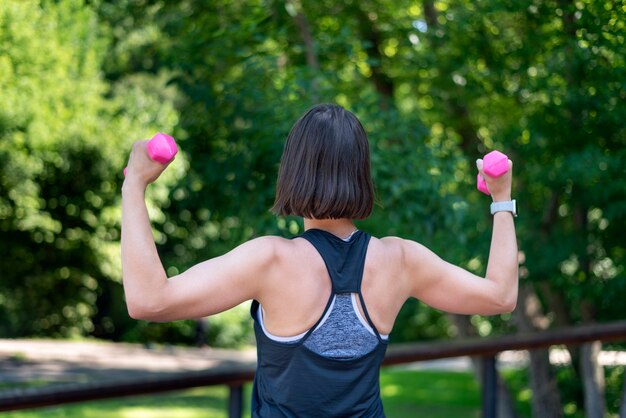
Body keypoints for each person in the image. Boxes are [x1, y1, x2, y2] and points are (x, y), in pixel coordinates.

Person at [121, 103, 518, 417]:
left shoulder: (271, 260)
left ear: (294, 171)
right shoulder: (400, 259)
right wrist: (501, 200)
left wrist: (135, 184)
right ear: (361, 171)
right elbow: (500, 297)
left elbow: (148, 300)